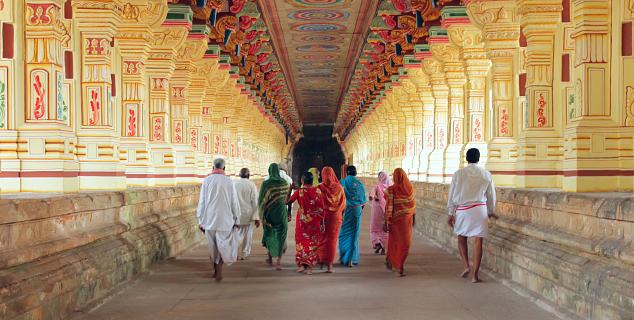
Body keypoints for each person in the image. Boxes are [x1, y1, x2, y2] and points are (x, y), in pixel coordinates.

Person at [447, 148, 497, 283]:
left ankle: (466, 265)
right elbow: (491, 195)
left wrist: (450, 212)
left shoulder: (458, 174)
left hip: (463, 209)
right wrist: (490, 211)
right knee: (478, 241)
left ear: (467, 158)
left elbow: (451, 195)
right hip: (479, 210)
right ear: (479, 158)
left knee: (461, 237)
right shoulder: (486, 174)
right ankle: (475, 275)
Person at [196, 158, 241, 282]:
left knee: (212, 247)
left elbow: (202, 201)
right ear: (224, 168)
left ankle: (215, 270)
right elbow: (234, 202)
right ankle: (219, 268)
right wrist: (237, 219)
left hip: (210, 219)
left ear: (212, 167)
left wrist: (200, 220)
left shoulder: (207, 181)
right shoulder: (229, 182)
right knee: (223, 245)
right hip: (225, 219)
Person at [286, 171, 325, 275]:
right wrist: (322, 222)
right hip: (315, 222)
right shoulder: (318, 191)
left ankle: (304, 265)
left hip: (302, 222)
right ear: (312, 181)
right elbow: (321, 208)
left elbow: (287, 202)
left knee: (301, 242)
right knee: (312, 243)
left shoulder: (300, 191)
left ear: (302, 181)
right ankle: (308, 266)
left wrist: (290, 189)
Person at [258, 163, 291, 270]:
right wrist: (289, 212)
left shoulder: (266, 184)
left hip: (270, 212)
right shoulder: (285, 182)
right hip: (281, 212)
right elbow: (288, 199)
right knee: (281, 235)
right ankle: (279, 262)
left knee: (269, 233)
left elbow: (261, 201)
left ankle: (270, 258)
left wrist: (262, 214)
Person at [384, 168, 416, 277]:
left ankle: (393, 262)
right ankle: (399, 266)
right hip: (405, 221)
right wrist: (414, 219)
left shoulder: (391, 190)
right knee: (405, 244)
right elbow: (413, 206)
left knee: (394, 242)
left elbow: (387, 205)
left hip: (395, 220)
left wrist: (385, 221)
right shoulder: (410, 189)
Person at [317, 166, 346, 273]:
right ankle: (329, 265)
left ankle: (320, 260)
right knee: (332, 241)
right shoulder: (340, 188)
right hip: (336, 218)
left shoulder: (320, 188)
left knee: (322, 239)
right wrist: (340, 214)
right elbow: (343, 204)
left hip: (323, 218)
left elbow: (316, 204)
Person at [338, 165, 367, 267]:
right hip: (357, 209)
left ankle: (345, 257)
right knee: (354, 233)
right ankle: (352, 259)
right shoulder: (359, 184)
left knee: (344, 233)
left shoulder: (343, 182)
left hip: (345, 210)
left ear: (347, 173)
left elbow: (338, 196)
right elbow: (363, 200)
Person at [234, 168, 261, 260]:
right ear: (248, 175)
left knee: (237, 234)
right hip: (248, 214)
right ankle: (244, 253)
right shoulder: (251, 185)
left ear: (239, 175)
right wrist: (256, 217)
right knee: (247, 234)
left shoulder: (234, 184)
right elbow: (255, 201)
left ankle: (235, 252)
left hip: (236, 213)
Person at [369, 171, 390, 255]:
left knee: (375, 228)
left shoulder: (377, 186)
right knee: (384, 228)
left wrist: (372, 197)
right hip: (386, 210)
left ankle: (377, 243)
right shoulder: (390, 187)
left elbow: (371, 195)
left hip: (377, 210)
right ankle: (384, 247)